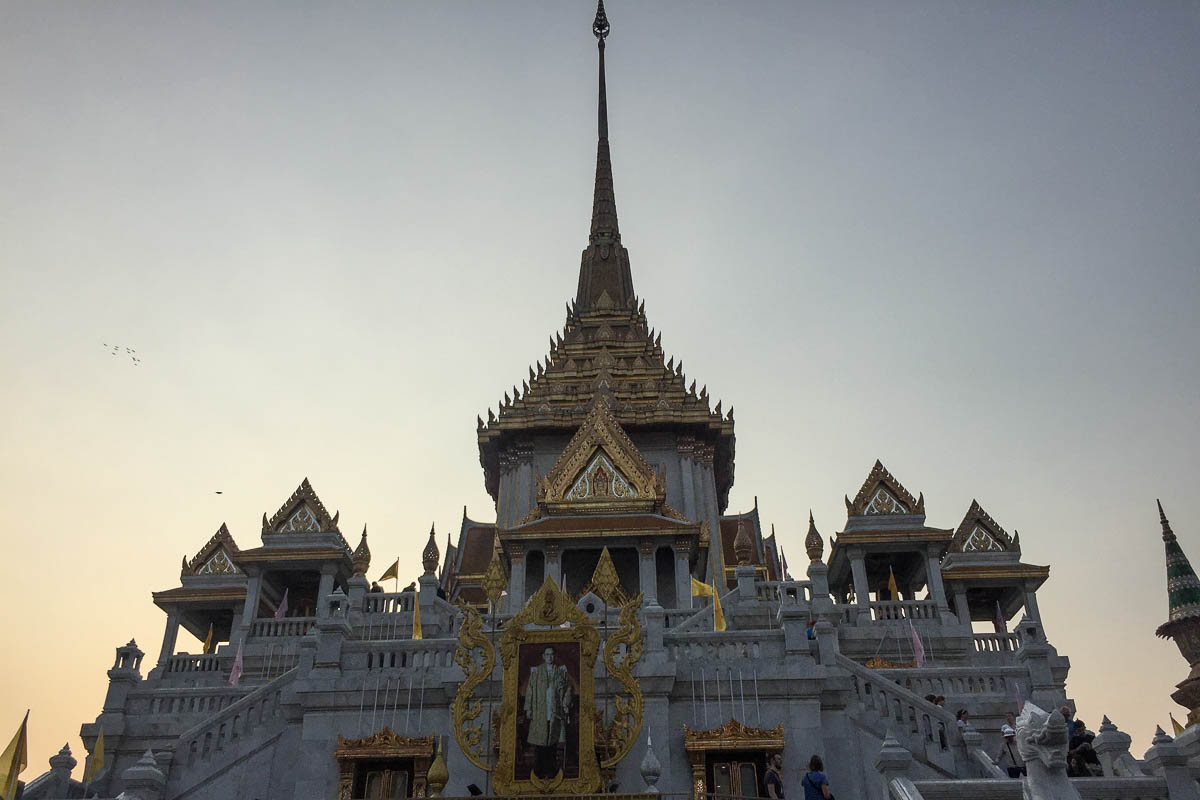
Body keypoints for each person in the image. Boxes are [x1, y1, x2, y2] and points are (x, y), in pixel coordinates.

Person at [523, 646, 572, 778]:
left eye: (552, 655)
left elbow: (567, 689)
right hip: (540, 710)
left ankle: (552, 769)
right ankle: (539, 769)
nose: (550, 657)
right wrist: (528, 708)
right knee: (540, 741)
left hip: (555, 710)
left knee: (552, 741)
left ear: (554, 656)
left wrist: (565, 704)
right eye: (547, 654)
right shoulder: (536, 672)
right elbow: (530, 691)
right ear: (543, 656)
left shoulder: (561, 672)